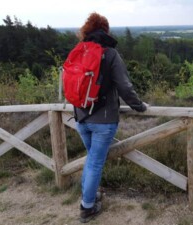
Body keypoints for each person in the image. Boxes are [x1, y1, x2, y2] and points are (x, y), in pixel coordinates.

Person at [74, 12, 148, 223]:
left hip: (81, 117)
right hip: (103, 120)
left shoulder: (78, 51)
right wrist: (139, 106)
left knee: (91, 160)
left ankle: (89, 197)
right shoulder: (110, 53)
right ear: (105, 30)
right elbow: (125, 86)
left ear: (87, 29)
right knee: (95, 163)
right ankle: (87, 207)